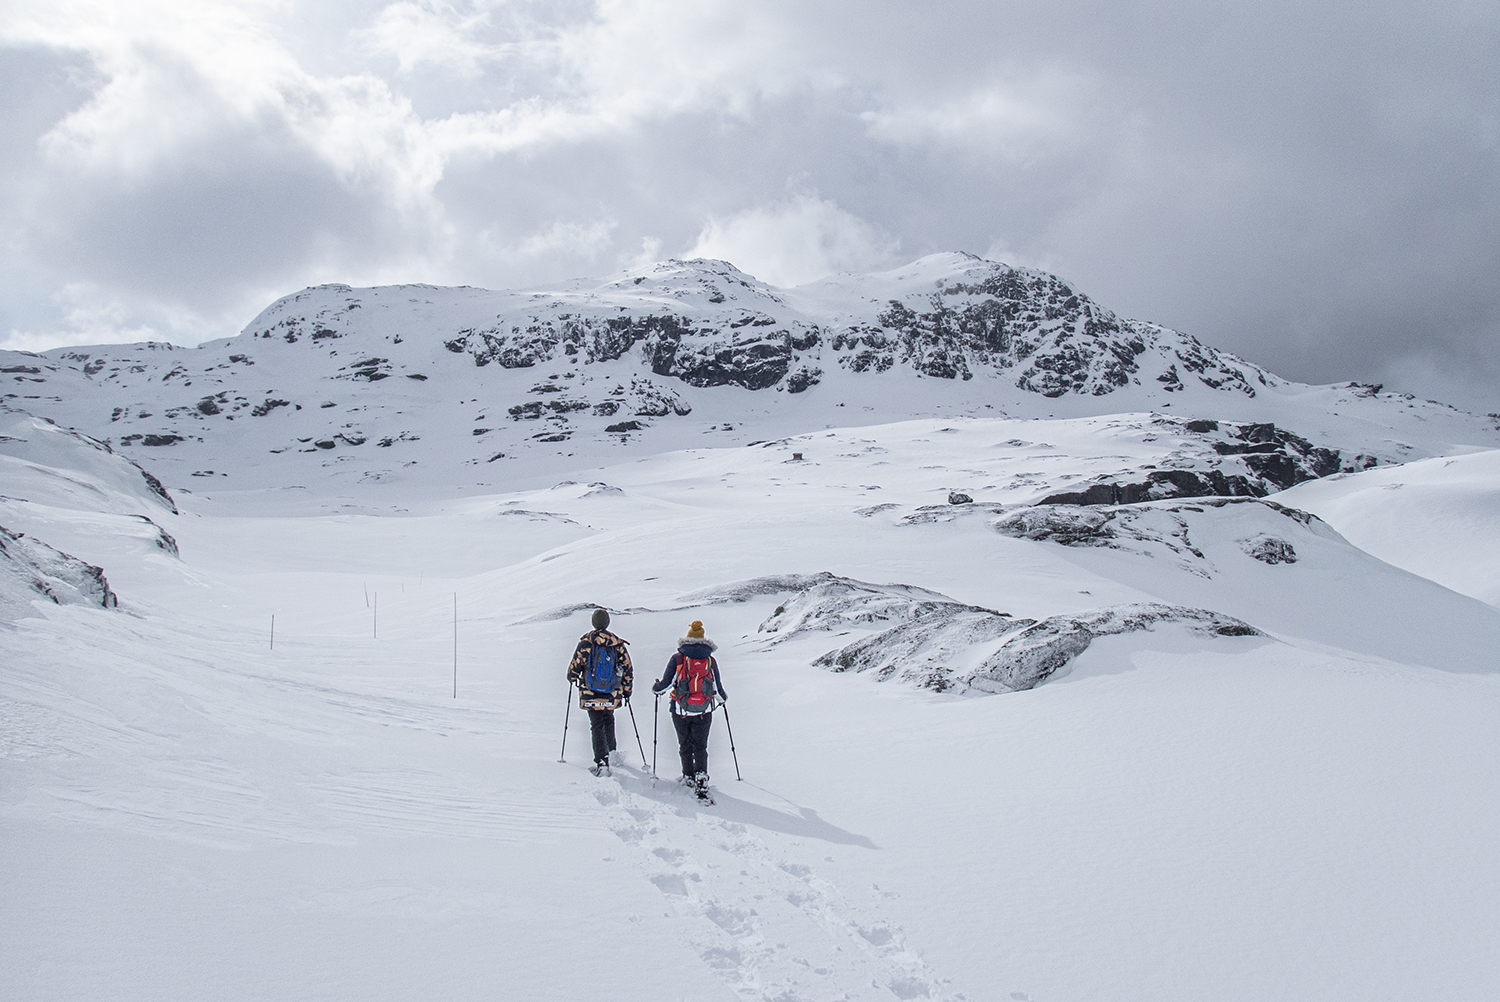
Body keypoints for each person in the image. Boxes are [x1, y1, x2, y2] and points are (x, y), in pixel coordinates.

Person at [652, 619, 727, 799]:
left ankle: (688, 776)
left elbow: (665, 685)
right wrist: (722, 700)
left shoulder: (678, 658)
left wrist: (656, 688)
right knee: (701, 745)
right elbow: (717, 688)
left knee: (685, 744)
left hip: (680, 710)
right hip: (704, 710)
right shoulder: (710, 660)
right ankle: (701, 776)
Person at [566, 608, 633, 776]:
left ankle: (602, 763)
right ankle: (612, 752)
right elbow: (627, 668)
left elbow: (574, 667)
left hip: (590, 692)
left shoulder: (586, 643)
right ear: (607, 622)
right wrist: (626, 690)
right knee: (608, 719)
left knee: (596, 724)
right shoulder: (617, 644)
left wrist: (572, 677)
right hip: (611, 692)